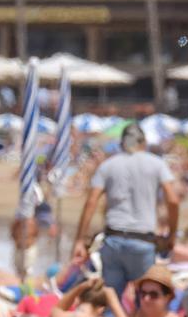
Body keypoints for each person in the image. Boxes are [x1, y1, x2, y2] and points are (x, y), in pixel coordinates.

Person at [72, 123, 180, 298]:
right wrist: (172, 235)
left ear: (122, 143)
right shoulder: (156, 164)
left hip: (113, 239)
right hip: (142, 241)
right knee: (144, 301)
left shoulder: (107, 166)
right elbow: (173, 200)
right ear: (143, 143)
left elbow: (91, 202)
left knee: (112, 302)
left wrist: (79, 240)